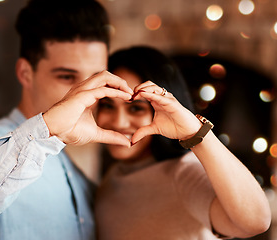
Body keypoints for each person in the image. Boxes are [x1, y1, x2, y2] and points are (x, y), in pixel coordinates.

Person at [0, 1, 135, 239]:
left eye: (94, 78)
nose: (83, 94)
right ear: (25, 73)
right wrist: (46, 130)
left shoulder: (69, 165)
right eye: (66, 76)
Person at [95, 46, 271, 239]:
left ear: (159, 111)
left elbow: (255, 222)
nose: (118, 122)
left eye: (136, 108)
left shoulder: (184, 173)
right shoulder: (114, 176)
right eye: (107, 105)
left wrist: (195, 132)